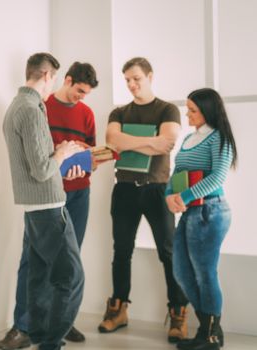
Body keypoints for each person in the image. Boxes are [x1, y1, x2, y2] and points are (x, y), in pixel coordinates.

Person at [0, 61, 99, 349]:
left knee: (40, 275)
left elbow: (37, 161)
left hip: (38, 206)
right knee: (72, 278)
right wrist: (63, 152)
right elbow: (42, 169)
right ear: (49, 75)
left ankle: (40, 335)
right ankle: (50, 342)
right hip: (48, 205)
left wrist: (69, 157)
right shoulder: (33, 108)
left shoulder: (18, 106)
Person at [101, 57, 188, 342]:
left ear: (150, 76)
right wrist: (149, 142)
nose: (131, 84)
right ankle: (118, 310)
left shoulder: (167, 109)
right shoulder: (119, 111)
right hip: (124, 188)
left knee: (168, 252)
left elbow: (168, 141)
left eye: (136, 78)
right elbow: (112, 141)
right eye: (127, 79)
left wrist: (127, 141)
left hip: (157, 189)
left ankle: (178, 314)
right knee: (121, 250)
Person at [165, 88, 237, 350]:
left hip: (210, 211)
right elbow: (176, 172)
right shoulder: (188, 139)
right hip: (190, 211)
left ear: (208, 110)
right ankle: (208, 331)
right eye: (187, 108)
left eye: (193, 110)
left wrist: (182, 197)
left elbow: (217, 178)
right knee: (182, 273)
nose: (188, 114)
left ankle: (209, 336)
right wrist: (169, 195)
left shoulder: (220, 139)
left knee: (205, 274)